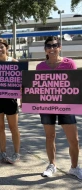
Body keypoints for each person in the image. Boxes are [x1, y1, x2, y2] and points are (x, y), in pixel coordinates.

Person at [35, 36, 82, 179]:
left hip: (66, 106)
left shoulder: (69, 64)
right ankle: (52, 165)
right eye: (48, 46)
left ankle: (74, 168)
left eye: (55, 45)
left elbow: (75, 84)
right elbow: (36, 87)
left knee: (73, 139)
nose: (52, 48)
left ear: (60, 47)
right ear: (45, 49)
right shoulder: (40, 67)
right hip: (46, 105)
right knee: (50, 136)